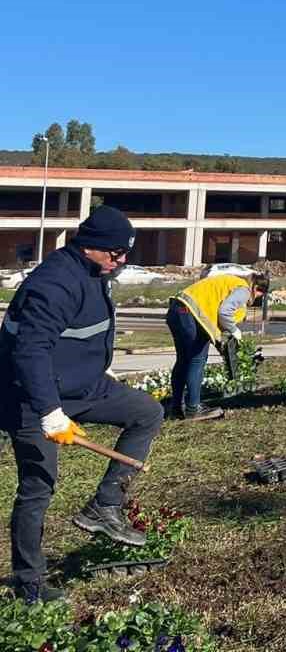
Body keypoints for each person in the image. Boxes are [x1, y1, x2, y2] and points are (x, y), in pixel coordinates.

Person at [0, 207, 165, 602]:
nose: (122, 260)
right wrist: (49, 412)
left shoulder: (96, 272)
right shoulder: (54, 283)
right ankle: (30, 584)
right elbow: (30, 351)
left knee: (147, 412)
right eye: (115, 253)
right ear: (89, 246)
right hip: (32, 396)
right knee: (38, 486)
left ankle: (104, 506)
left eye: (125, 253)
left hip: (85, 388)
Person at [166, 268, 268, 421]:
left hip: (178, 308)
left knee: (183, 361)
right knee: (197, 360)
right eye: (260, 295)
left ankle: (176, 408)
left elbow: (217, 318)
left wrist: (222, 343)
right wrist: (234, 330)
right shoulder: (244, 290)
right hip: (190, 315)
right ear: (257, 289)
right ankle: (193, 409)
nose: (258, 299)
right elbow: (225, 313)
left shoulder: (228, 283)